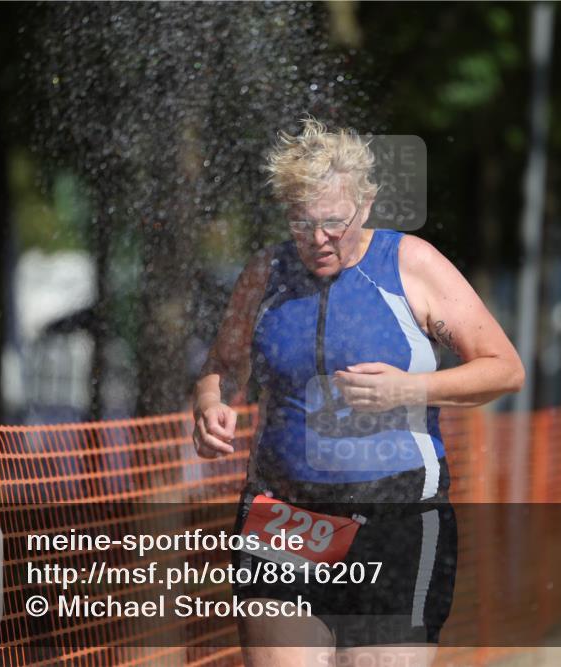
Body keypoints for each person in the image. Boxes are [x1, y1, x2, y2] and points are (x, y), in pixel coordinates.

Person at [192, 116, 524, 667]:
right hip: (284, 513)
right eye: (301, 223)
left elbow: (503, 368)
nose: (318, 239)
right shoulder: (265, 274)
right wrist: (211, 404)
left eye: (333, 222)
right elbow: (224, 366)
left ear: (365, 207)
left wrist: (411, 389)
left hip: (395, 515)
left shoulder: (409, 265)